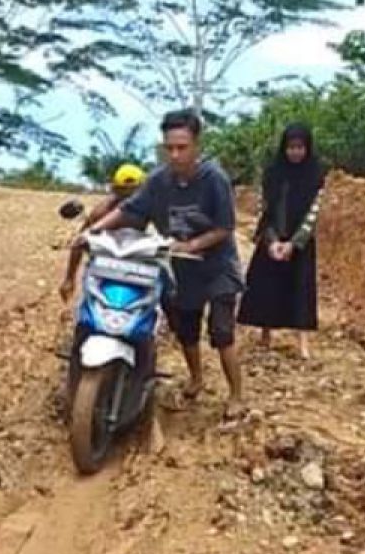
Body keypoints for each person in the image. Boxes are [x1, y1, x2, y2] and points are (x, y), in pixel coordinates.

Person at [85, 109, 246, 419]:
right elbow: (130, 208)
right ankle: (196, 379)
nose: (175, 154)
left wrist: (191, 245)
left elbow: (225, 227)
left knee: (222, 333)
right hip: (180, 268)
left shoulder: (214, 179)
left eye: (182, 147)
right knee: (185, 329)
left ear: (197, 145)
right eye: (169, 147)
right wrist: (94, 230)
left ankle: (236, 394)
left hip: (217, 268)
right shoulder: (158, 180)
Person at [237, 123, 326, 359]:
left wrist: (294, 244)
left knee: (301, 292)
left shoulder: (316, 175)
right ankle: (265, 335)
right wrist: (272, 241)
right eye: (291, 147)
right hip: (272, 238)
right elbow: (264, 208)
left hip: (301, 244)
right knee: (267, 287)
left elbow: (313, 213)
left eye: (300, 147)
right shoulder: (272, 174)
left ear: (307, 148)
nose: (295, 152)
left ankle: (303, 344)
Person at [59, 163, 147, 302]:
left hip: (136, 268)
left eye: (134, 191)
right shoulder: (102, 211)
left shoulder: (146, 209)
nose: (128, 196)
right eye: (123, 191)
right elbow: (79, 243)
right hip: (103, 269)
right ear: (115, 189)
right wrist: (69, 278)